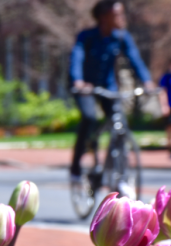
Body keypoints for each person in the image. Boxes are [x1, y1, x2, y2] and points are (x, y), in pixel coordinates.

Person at [68, 0, 154, 199]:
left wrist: (147, 82)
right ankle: (76, 167)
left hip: (108, 88)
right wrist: (78, 81)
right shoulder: (86, 36)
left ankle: (121, 176)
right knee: (89, 118)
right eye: (118, 15)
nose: (122, 19)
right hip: (85, 88)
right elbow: (77, 58)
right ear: (104, 17)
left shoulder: (122, 37)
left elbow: (135, 59)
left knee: (120, 126)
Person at [158, 63, 171, 156]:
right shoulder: (166, 77)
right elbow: (162, 92)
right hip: (169, 106)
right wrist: (164, 105)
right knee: (169, 129)